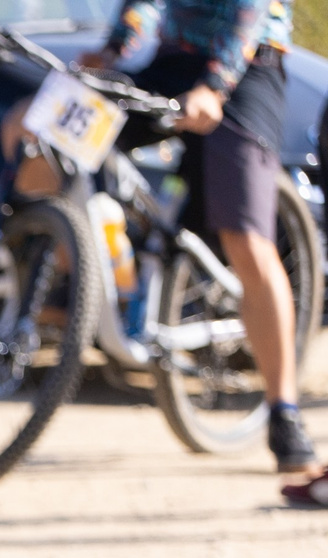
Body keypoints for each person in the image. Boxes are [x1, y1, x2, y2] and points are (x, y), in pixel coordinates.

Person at [78, 0, 312, 477]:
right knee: (38, 125)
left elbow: (249, 10)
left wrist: (214, 87)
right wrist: (111, 51)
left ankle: (283, 412)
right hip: (174, 59)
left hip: (247, 66)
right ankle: (66, 281)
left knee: (246, 239)